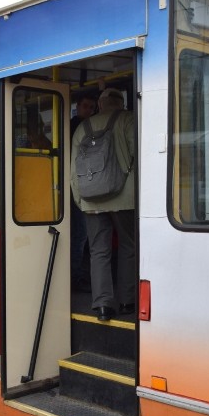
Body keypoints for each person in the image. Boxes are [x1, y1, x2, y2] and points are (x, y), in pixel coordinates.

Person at [70, 88, 136, 322]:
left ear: (100, 104)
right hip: (124, 198)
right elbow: (138, 153)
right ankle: (128, 301)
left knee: (98, 250)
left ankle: (102, 305)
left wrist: (80, 200)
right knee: (128, 246)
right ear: (121, 102)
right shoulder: (128, 119)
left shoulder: (82, 128)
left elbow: (73, 170)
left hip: (91, 200)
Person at [69, 93, 98, 291]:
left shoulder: (82, 126)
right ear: (77, 106)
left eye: (91, 107)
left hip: (81, 185)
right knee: (79, 235)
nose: (89, 111)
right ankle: (75, 276)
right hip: (77, 186)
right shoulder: (77, 128)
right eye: (86, 106)